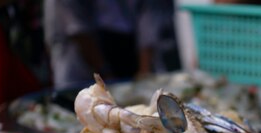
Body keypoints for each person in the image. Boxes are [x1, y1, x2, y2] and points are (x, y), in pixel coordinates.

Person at [43, 0, 175, 90]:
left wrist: (144, 73)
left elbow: (147, 17)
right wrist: (105, 74)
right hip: (79, 71)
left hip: (127, 59)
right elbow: (78, 32)